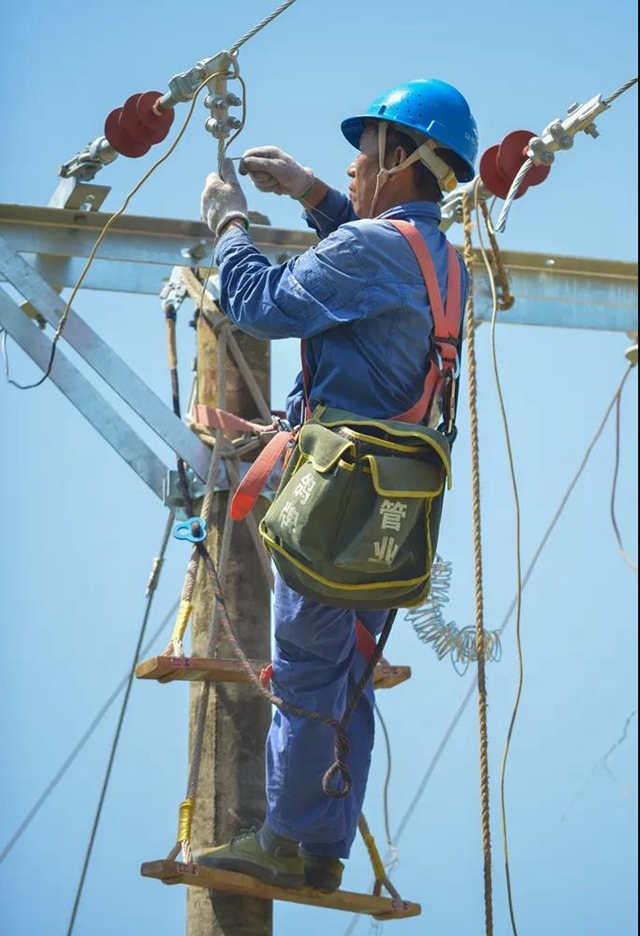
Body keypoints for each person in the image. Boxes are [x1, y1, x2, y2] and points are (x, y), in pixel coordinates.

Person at [197, 79, 478, 893]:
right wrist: (311, 190)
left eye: (363, 154)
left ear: (397, 156)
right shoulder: (442, 263)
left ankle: (284, 838)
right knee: (349, 666)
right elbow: (365, 263)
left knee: (309, 667)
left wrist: (232, 224)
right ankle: (324, 841)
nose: (353, 166)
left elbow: (258, 302)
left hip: (334, 496)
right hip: (398, 508)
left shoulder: (373, 252)